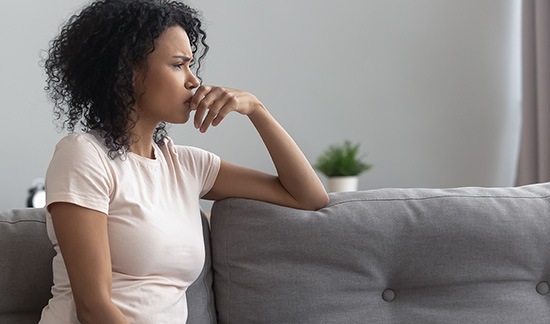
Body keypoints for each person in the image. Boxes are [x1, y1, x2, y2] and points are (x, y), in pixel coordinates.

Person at [38, 0, 329, 323]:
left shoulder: (189, 165)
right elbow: (93, 307)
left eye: (192, 65)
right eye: (179, 65)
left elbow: (308, 197)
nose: (194, 81)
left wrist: (256, 110)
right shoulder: (83, 155)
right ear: (127, 73)